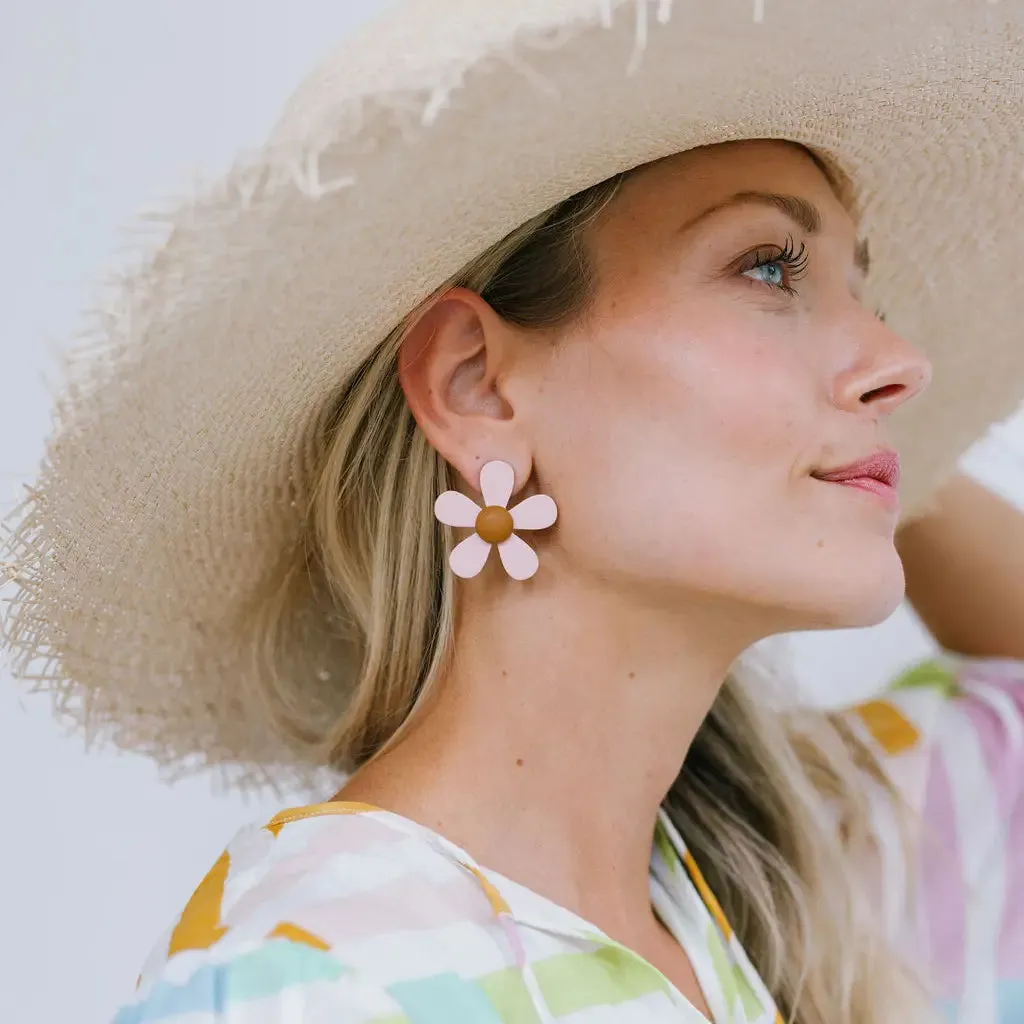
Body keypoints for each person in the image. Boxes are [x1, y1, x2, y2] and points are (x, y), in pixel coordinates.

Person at [3, 4, 1023, 1023]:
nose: (903, 360)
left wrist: (870, 460)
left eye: (865, 291)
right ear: (476, 384)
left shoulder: (767, 896)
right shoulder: (314, 982)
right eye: (767, 266)